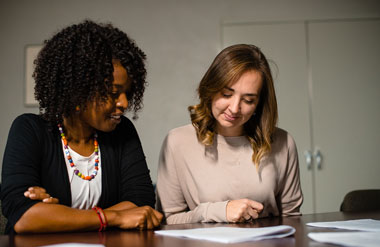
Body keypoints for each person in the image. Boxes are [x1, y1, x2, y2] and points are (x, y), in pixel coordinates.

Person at [0, 20, 162, 234]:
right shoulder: (29, 129)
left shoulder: (123, 132)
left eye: (127, 94)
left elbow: (141, 203)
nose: (123, 103)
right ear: (79, 92)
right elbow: (23, 217)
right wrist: (113, 217)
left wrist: (57, 215)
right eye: (113, 93)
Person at [156, 44, 303, 224]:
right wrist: (216, 211)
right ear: (210, 88)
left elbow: (292, 219)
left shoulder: (283, 143)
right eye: (226, 94)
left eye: (248, 100)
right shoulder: (177, 142)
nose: (234, 109)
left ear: (259, 104)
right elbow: (167, 221)